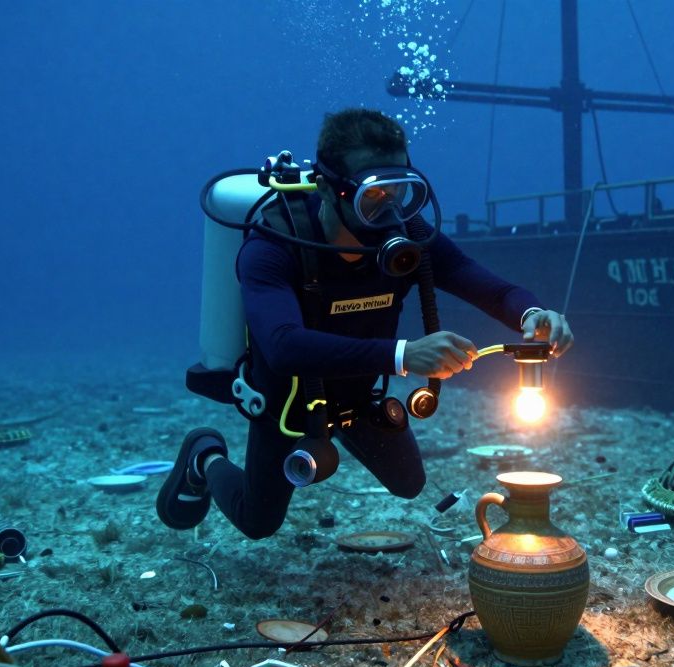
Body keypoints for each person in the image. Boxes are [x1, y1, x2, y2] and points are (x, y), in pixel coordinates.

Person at [157, 108, 573, 540]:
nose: (390, 212)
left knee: (409, 484)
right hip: (289, 404)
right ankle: (203, 456)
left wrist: (533, 314)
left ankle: (342, 434)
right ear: (328, 187)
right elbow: (283, 347)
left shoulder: (410, 237)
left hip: (360, 396)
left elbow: (488, 286)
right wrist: (404, 355)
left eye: (401, 192)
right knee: (257, 521)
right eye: (372, 197)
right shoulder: (273, 248)